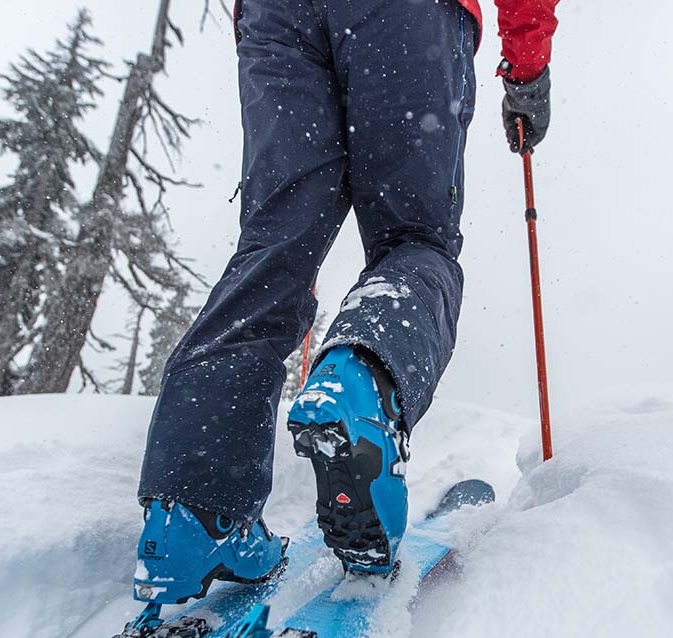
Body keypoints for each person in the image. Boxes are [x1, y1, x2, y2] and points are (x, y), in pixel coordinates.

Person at [130, 0, 560, 607]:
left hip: (278, 18)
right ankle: (362, 382)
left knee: (273, 246)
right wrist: (527, 65)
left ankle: (196, 509)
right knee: (415, 238)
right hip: (406, 14)